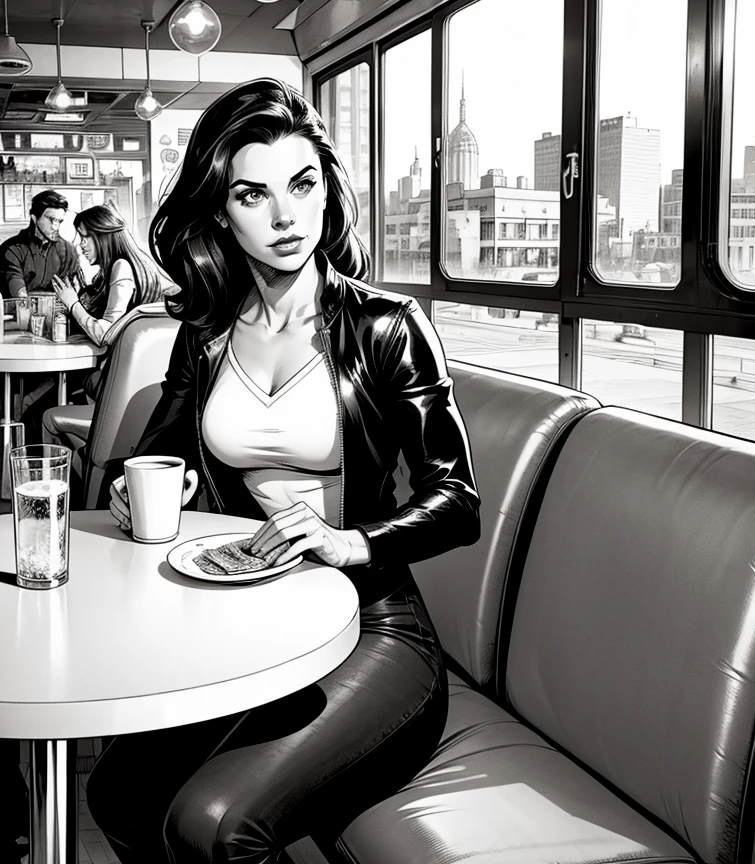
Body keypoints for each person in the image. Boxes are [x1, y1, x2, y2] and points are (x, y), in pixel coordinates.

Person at [85, 77, 481, 864]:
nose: (285, 215)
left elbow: (458, 499)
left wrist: (351, 541)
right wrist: (137, 491)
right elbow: (143, 464)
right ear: (221, 214)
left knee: (218, 825)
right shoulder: (204, 336)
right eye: (251, 194)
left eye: (302, 185)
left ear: (328, 193)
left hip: (374, 626)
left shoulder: (388, 327)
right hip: (248, 620)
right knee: (117, 794)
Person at [40, 204, 166, 450]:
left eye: (85, 238)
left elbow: (106, 333)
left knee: (49, 391)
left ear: (103, 235)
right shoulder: (139, 265)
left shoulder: (122, 267)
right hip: (143, 383)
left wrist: (73, 303)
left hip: (116, 384)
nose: (81, 245)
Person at [0, 188, 79, 297]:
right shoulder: (12, 249)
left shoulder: (67, 250)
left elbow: (71, 291)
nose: (55, 226)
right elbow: (16, 290)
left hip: (58, 312)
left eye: (59, 221)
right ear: (34, 218)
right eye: (51, 219)